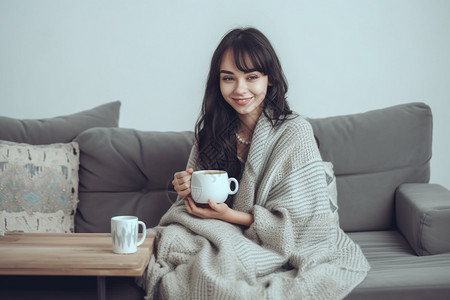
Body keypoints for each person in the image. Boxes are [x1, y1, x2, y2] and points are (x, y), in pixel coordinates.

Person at [141, 27, 370, 300]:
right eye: (229, 78)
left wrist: (229, 216)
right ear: (218, 82)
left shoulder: (295, 132)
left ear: (269, 79)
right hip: (215, 232)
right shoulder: (211, 132)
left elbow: (299, 227)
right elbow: (194, 208)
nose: (240, 89)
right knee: (164, 244)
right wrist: (187, 188)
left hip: (271, 242)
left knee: (212, 278)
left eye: (252, 77)